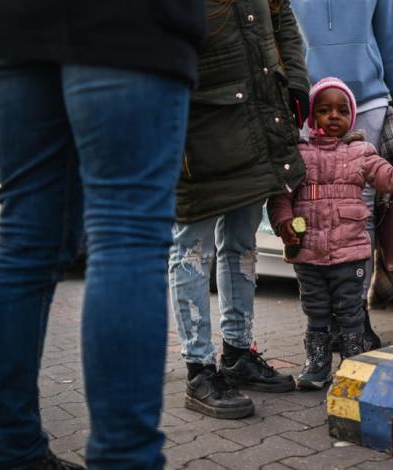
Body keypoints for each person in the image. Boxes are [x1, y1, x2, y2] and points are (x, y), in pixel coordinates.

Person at [0, 0, 205, 468]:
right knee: (126, 234)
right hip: (124, 19)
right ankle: (123, 459)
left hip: (6, 18)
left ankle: (7, 453)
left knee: (25, 240)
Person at [169, 0, 310, 420]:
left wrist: (297, 82)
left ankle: (237, 352)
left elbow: (282, 17)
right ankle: (199, 369)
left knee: (242, 244)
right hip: (198, 124)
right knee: (192, 250)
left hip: (256, 119)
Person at [268, 77, 393, 389]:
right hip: (309, 254)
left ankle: (353, 365)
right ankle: (316, 366)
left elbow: (390, 180)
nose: (334, 116)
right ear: (313, 117)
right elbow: (281, 197)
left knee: (351, 312)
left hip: (350, 253)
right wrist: (284, 223)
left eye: (342, 110)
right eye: (325, 110)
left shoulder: (362, 152)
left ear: (351, 116)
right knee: (315, 312)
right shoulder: (298, 155)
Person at [292, 0, 393, 351]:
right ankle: (324, 317)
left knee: (360, 212)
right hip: (309, 102)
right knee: (310, 206)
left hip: (367, 103)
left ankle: (354, 314)